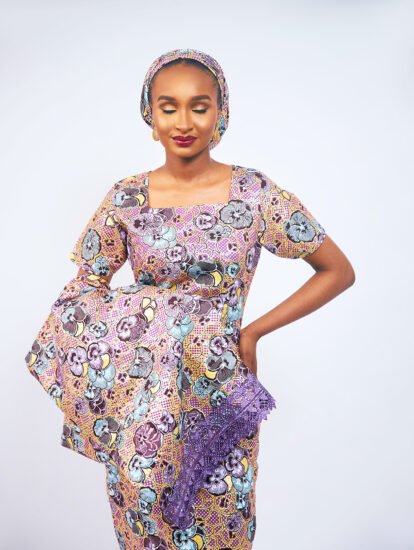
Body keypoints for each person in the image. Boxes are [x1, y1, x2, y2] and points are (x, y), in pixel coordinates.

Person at [25, 48, 355, 550]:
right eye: (169, 107)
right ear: (149, 114)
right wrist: (146, 325)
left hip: (221, 392)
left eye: (199, 107)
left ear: (221, 112)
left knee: (223, 527)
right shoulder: (126, 198)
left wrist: (252, 333)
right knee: (146, 529)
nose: (184, 122)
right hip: (142, 400)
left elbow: (337, 270)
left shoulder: (253, 194)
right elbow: (81, 294)